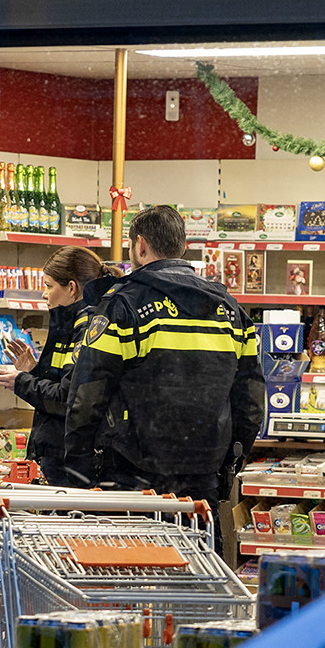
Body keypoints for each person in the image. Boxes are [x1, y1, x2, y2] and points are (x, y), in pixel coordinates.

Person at [64, 205, 263, 503]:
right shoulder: (230, 309)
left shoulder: (123, 304)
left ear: (140, 245)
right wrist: (229, 461)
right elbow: (250, 399)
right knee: (198, 550)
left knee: (136, 551)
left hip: (132, 475)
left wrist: (78, 470)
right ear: (182, 247)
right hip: (204, 472)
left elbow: (88, 393)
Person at [0, 245, 118, 488]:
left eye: (49, 285)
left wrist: (20, 382)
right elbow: (65, 385)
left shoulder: (88, 329)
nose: (43, 294)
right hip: (61, 458)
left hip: (72, 465)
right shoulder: (71, 322)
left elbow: (68, 400)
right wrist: (34, 371)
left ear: (71, 288)